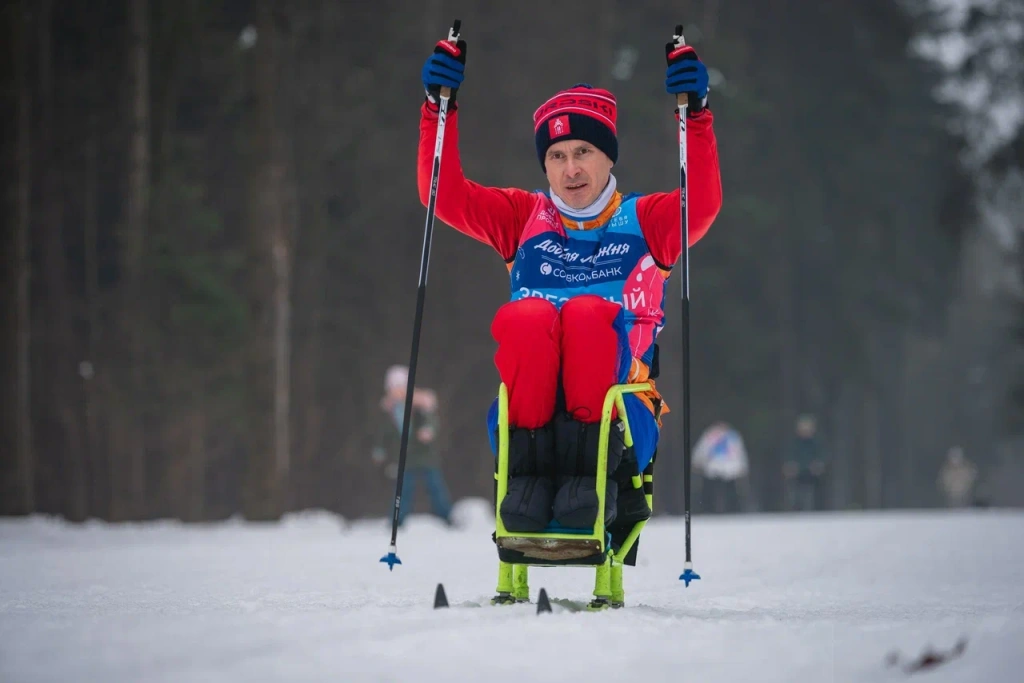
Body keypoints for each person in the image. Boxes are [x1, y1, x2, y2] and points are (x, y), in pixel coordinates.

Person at [417, 30, 722, 534]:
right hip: (529, 418)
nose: (571, 168)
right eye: (557, 156)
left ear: (608, 157)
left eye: (583, 151)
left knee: (587, 314)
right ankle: (531, 486)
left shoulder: (645, 220)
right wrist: (437, 109)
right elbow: (443, 196)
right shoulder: (523, 216)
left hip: (620, 414)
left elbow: (702, 205)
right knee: (530, 318)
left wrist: (696, 116)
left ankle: (589, 483)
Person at [372, 365, 454, 527]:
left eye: (401, 387)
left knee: (435, 486)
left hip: (425, 456)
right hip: (404, 458)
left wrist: (428, 430)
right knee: (403, 490)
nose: (398, 391)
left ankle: (446, 516)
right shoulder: (389, 410)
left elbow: (431, 420)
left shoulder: (420, 404)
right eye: (394, 388)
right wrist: (379, 449)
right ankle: (397, 519)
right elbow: (383, 433)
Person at [692, 421, 752, 514]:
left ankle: (728, 510)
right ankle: (716, 510)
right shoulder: (712, 435)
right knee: (716, 492)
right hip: (714, 470)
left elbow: (738, 452)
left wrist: (742, 466)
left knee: (727, 492)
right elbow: (703, 449)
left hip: (729, 471)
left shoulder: (731, 436)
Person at [783, 414, 828, 511]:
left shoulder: (816, 443)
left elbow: (822, 457)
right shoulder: (794, 443)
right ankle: (795, 509)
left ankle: (810, 509)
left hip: (811, 474)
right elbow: (788, 457)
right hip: (797, 474)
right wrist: (790, 466)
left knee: (810, 493)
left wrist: (818, 465)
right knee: (795, 493)